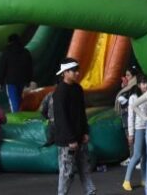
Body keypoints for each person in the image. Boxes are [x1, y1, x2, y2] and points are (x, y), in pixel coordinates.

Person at [52, 58, 95, 195]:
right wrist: (71, 139)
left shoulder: (77, 89)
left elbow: (82, 112)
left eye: (78, 70)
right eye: (74, 71)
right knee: (67, 172)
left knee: (85, 168)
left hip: (80, 137)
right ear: (65, 73)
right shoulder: (60, 92)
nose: (77, 73)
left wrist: (85, 131)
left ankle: (90, 191)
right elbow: (61, 118)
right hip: (67, 142)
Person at [123, 74, 147, 191]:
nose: (146, 85)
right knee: (137, 155)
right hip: (139, 128)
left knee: (146, 156)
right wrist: (131, 133)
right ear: (138, 85)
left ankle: (144, 179)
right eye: (143, 83)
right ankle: (126, 180)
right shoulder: (133, 97)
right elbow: (130, 116)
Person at [0, 34, 33, 112]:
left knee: (13, 101)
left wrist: (0, 82)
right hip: (23, 80)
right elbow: (30, 67)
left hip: (11, 81)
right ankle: (21, 117)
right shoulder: (26, 52)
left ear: (9, 42)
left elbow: (3, 67)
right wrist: (28, 80)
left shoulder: (7, 52)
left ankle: (17, 119)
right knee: (20, 99)